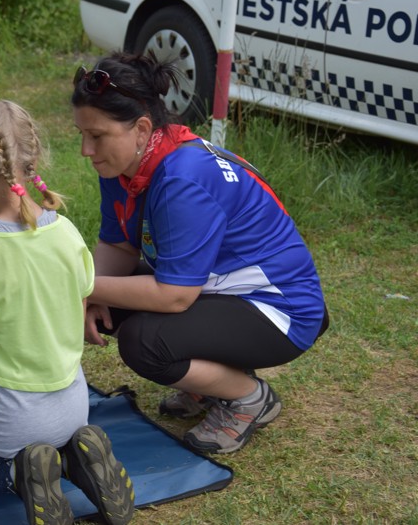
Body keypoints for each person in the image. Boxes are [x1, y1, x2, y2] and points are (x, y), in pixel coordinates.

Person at [71, 51, 330, 455]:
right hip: (223, 290)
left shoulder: (181, 178)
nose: (86, 150)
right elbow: (118, 244)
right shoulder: (127, 162)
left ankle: (247, 396)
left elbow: (175, 295)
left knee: (143, 342)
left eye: (97, 135)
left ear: (141, 128)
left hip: (281, 310)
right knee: (109, 306)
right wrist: (90, 297)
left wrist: (83, 287)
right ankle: (209, 381)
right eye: (82, 135)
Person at [0, 100, 135, 525]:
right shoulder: (67, 233)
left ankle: (18, 472)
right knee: (50, 443)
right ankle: (74, 459)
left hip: (10, 422)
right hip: (74, 409)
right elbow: (70, 320)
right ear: (31, 160)